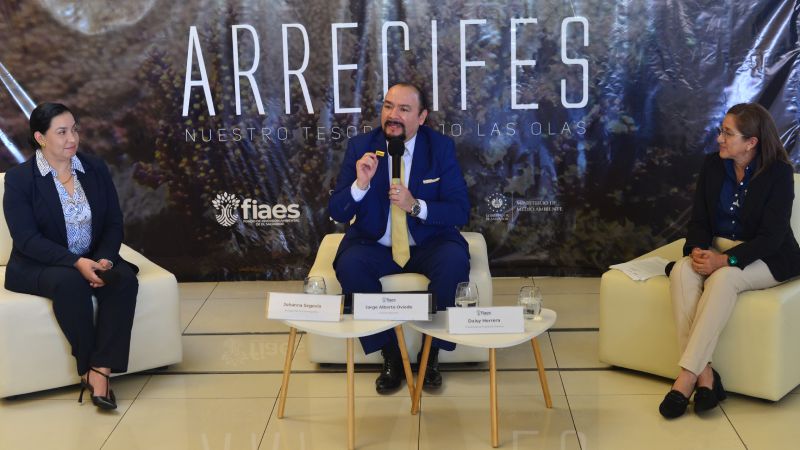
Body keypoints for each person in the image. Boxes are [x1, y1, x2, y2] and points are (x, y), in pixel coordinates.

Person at [659, 103, 800, 418]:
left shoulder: (778, 173)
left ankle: (686, 377)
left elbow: (772, 237)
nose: (719, 138)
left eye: (728, 133)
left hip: (768, 256)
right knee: (681, 271)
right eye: (721, 130)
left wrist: (724, 261)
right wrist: (697, 249)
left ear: (751, 142)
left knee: (724, 278)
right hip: (718, 251)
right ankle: (707, 376)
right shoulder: (712, 165)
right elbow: (699, 221)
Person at [329, 82, 471, 394]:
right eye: (388, 106)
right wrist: (360, 185)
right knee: (350, 265)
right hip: (374, 244)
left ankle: (430, 355)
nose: (393, 115)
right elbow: (338, 210)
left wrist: (415, 205)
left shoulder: (440, 148)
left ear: (422, 117)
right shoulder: (360, 147)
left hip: (428, 243)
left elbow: (459, 210)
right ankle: (391, 355)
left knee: (454, 261)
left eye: (404, 109)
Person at [3, 103, 139, 410]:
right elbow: (26, 239)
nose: (72, 138)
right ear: (40, 137)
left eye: (74, 129)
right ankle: (88, 367)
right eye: (61, 132)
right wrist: (76, 262)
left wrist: (104, 260)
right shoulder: (20, 179)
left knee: (124, 280)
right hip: (39, 263)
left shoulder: (94, 168)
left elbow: (114, 224)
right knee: (70, 282)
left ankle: (100, 369)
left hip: (92, 257)